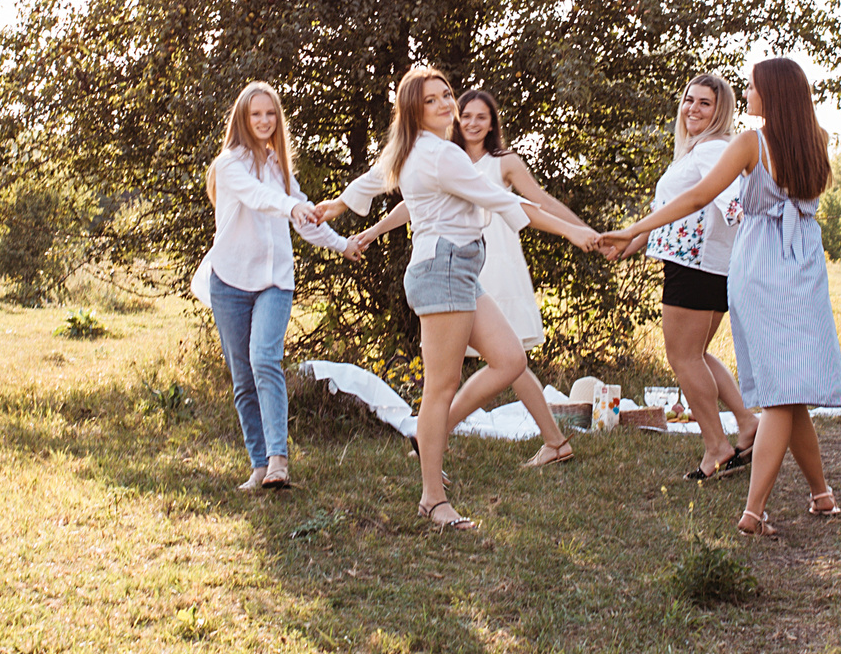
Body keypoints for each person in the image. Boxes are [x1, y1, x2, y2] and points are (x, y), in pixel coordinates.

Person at [320, 66, 596, 530]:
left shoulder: (417, 150)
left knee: (509, 360)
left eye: (446, 94)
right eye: (433, 100)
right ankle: (433, 498)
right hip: (443, 268)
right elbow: (504, 202)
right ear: (413, 109)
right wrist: (571, 230)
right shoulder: (437, 154)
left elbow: (373, 179)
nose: (446, 104)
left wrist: (339, 206)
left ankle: (431, 444)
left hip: (460, 266)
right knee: (440, 389)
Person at [604, 57, 841, 537]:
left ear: (772, 96)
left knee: (781, 393)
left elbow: (698, 198)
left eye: (753, 88)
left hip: (760, 266)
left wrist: (635, 228)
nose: (747, 94)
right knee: (790, 387)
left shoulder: (750, 143)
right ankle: (821, 495)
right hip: (802, 265)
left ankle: (753, 513)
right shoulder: (814, 142)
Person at [348, 87, 580, 468]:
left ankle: (444, 437)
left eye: (480, 117)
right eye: (467, 115)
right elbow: (412, 201)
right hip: (461, 263)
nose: (471, 122)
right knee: (495, 365)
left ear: (492, 125)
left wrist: (579, 229)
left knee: (510, 359)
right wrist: (373, 231)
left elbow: (535, 201)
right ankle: (447, 442)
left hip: (498, 262)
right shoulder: (439, 155)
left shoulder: (500, 161)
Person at [193, 82, 347, 493]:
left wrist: (343, 244)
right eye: (256, 114)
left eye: (271, 114)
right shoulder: (228, 165)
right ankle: (259, 465)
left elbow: (305, 218)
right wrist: (290, 203)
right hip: (229, 281)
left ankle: (279, 458)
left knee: (264, 359)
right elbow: (259, 197)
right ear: (243, 119)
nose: (264, 121)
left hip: (275, 281)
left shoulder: (280, 168)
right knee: (243, 376)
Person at [610, 72, 752, 481]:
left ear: (720, 110)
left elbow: (726, 202)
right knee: (699, 355)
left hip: (696, 266)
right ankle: (746, 423)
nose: (693, 108)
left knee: (683, 357)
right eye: (689, 100)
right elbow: (668, 218)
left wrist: (739, 217)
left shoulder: (712, 151)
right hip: (703, 266)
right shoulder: (697, 151)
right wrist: (627, 243)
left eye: (704, 103)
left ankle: (717, 447)